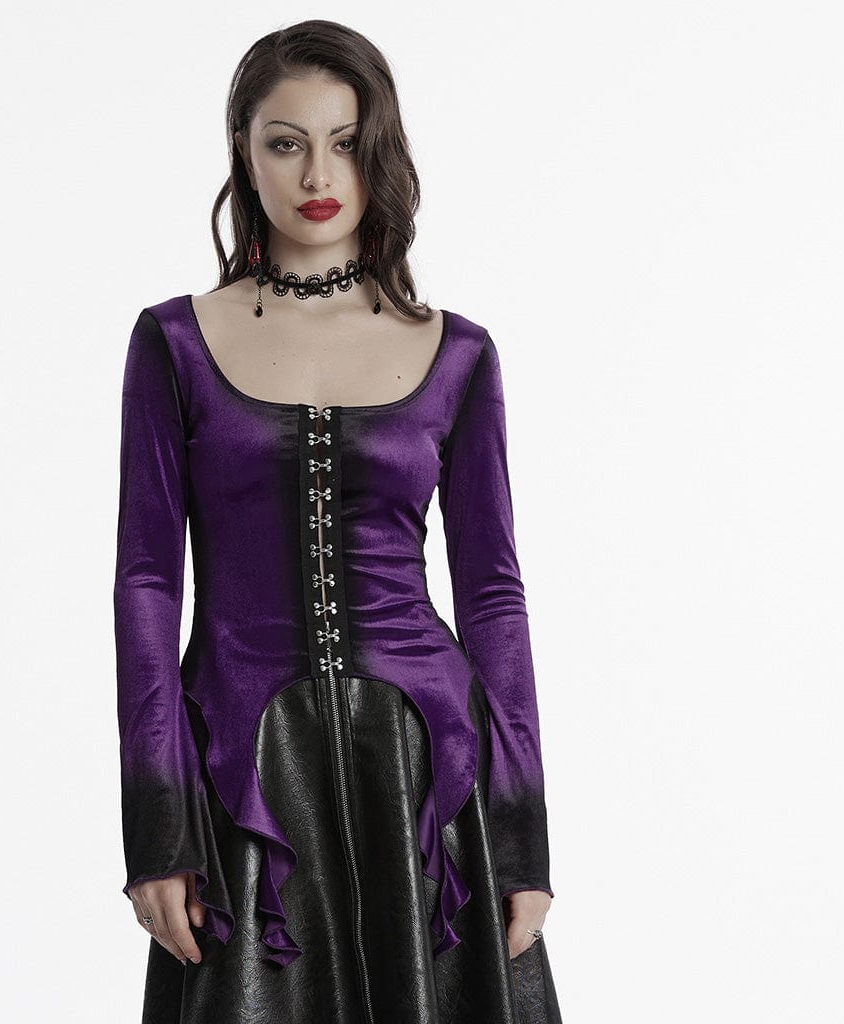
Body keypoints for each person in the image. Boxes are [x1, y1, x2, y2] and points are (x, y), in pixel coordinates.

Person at [113, 19, 563, 1024]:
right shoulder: (175, 343)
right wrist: (158, 825)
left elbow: (493, 594)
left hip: (423, 773)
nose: (318, 174)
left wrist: (520, 833)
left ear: (380, 152)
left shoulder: (457, 353)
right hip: (243, 772)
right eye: (286, 142)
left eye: (346, 142)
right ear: (244, 149)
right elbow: (146, 583)